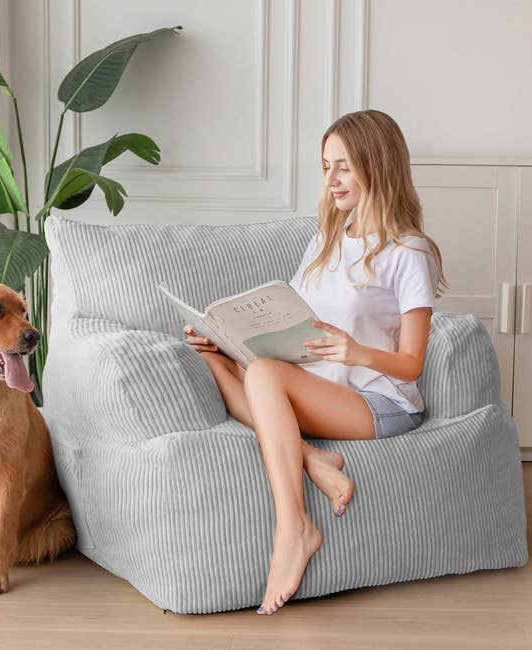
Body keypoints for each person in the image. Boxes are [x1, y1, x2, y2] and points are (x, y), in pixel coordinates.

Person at [184, 109, 448, 616]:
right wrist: (232, 342)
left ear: (377, 165)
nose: (331, 180)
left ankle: (295, 526)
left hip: (380, 401)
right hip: (323, 384)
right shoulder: (324, 240)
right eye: (326, 166)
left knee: (260, 378)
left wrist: (358, 352)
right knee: (223, 363)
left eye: (344, 166)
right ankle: (311, 457)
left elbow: (412, 364)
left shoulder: (407, 252)